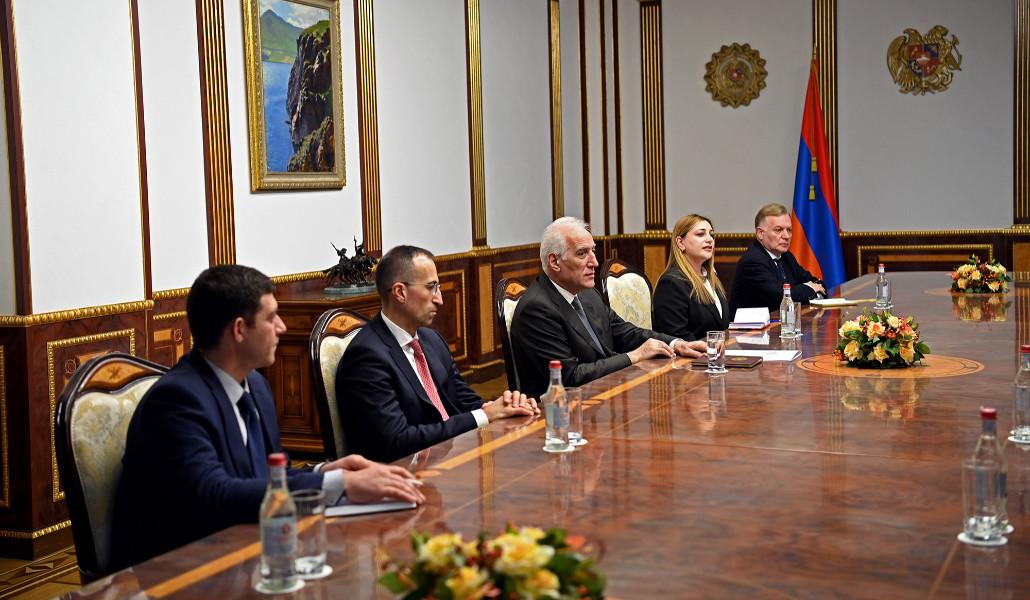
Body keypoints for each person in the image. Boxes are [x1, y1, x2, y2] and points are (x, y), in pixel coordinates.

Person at [110, 265, 424, 571]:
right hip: (177, 572)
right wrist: (339, 483)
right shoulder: (177, 401)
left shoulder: (256, 385)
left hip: (245, 551)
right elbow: (215, 495)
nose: (282, 328)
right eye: (272, 317)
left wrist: (325, 470)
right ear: (239, 330)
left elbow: (270, 475)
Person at [336, 246, 538, 463]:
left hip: (452, 457)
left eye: (438, 287)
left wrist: (505, 406)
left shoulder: (431, 340)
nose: (440, 299)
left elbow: (464, 400)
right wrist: (485, 415)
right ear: (400, 292)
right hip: (404, 472)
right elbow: (396, 442)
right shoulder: (367, 356)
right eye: (431, 288)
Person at [510, 217, 706, 398]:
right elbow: (570, 377)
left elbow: (625, 332)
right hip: (560, 412)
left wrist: (675, 344)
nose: (594, 262)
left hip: (604, 394)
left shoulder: (587, 294)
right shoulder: (537, 309)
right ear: (554, 261)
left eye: (593, 251)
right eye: (582, 253)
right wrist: (635, 356)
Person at [729, 203, 826, 315]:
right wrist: (811, 289)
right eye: (778, 230)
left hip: (783, 322)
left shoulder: (786, 257)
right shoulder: (752, 261)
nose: (786, 236)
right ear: (760, 233)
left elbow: (818, 283)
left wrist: (811, 289)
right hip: (752, 326)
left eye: (789, 230)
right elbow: (781, 298)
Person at [653, 214, 729, 340]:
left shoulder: (711, 277)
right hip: (692, 353)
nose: (710, 239)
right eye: (700, 234)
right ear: (680, 242)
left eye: (711, 235)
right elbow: (677, 338)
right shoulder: (671, 284)